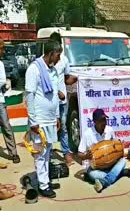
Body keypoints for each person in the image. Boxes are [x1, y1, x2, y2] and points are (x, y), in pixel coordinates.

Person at [25, 40, 62, 198]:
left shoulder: (52, 70)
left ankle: (45, 179)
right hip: (39, 121)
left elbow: (55, 95)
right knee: (40, 154)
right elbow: (30, 96)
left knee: (48, 153)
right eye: (57, 55)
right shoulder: (34, 69)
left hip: (50, 119)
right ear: (51, 53)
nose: (59, 58)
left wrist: (57, 116)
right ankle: (43, 185)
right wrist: (33, 121)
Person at [78, 109, 130, 193]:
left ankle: (103, 182)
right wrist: (85, 156)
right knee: (94, 174)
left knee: (123, 161)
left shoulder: (109, 130)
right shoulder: (87, 134)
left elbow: (115, 146)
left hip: (111, 164)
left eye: (105, 120)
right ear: (95, 121)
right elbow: (79, 153)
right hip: (96, 168)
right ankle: (118, 174)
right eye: (101, 120)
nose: (104, 122)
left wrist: (120, 147)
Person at [49, 32, 78, 165]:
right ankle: (48, 152)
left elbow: (67, 79)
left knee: (64, 127)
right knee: (49, 126)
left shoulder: (64, 59)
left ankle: (66, 153)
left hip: (62, 101)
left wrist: (79, 79)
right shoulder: (43, 63)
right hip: (49, 101)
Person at [0, 39, 20, 168]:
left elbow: (2, 81)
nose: (2, 51)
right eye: (1, 49)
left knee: (6, 126)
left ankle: (13, 153)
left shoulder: (0, 64)